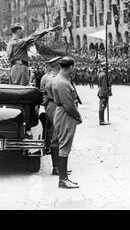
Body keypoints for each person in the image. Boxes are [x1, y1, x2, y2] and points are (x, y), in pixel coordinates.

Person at [52, 57, 82, 189]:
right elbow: (68, 104)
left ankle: (63, 178)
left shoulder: (61, 79)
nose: (74, 69)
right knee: (65, 146)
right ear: (70, 67)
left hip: (63, 113)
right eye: (73, 67)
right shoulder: (62, 82)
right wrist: (78, 116)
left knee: (64, 145)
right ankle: (63, 180)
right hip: (65, 114)